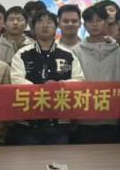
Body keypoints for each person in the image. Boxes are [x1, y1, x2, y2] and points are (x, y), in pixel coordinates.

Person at [10, 10, 83, 145]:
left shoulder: (68, 55)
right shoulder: (22, 54)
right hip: (28, 123)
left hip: (59, 122)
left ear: (56, 27)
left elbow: (79, 81)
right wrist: (42, 91)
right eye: (40, 22)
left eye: (49, 22)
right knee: (28, 158)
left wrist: (59, 86)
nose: (45, 25)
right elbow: (16, 80)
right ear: (33, 28)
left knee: (59, 158)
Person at [72, 5, 120, 143]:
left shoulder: (117, 50)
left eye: (99, 20)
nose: (94, 24)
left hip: (111, 114)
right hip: (84, 114)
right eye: (90, 21)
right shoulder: (76, 51)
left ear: (106, 22)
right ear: (84, 25)